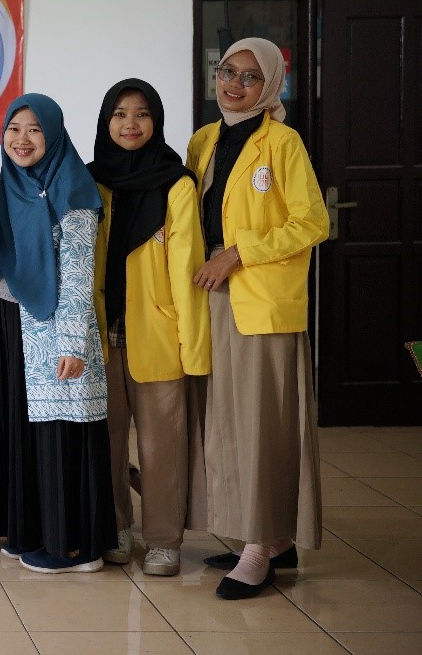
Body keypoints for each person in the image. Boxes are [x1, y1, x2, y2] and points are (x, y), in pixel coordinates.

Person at [188, 38, 328, 600]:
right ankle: (266, 536)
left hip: (262, 300)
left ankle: (261, 547)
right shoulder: (204, 140)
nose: (234, 84)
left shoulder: (283, 142)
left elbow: (312, 221)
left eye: (249, 77)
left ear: (270, 86)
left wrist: (237, 253)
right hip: (212, 297)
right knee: (226, 422)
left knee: (263, 424)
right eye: (227, 71)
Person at [0, 93, 117, 574]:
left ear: (54, 134)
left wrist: (73, 345)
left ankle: (74, 547)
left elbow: (79, 272)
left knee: (61, 434)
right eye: (14, 129)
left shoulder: (73, 189)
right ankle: (32, 531)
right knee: (23, 431)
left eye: (35, 130)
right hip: (9, 328)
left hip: (57, 331)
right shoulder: (0, 191)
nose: (22, 139)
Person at [88, 79, 210, 577]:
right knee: (107, 440)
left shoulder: (176, 183)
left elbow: (187, 269)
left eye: (141, 114)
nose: (130, 124)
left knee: (163, 444)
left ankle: (163, 539)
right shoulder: (89, 180)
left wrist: (193, 348)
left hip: (158, 333)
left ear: (156, 121)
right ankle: (116, 526)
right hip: (99, 334)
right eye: (119, 114)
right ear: (105, 122)